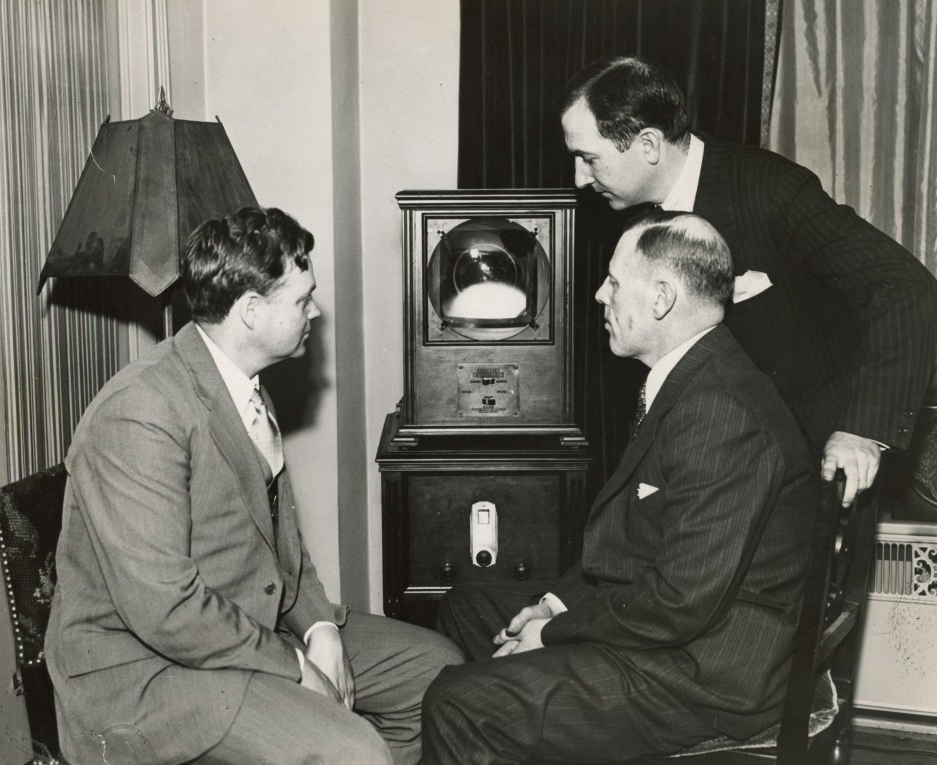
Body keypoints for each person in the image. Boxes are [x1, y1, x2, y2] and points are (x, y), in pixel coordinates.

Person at [45, 206, 463, 765]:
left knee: (436, 674)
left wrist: (320, 628)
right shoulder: (140, 413)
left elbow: (284, 550)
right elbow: (166, 610)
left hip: (239, 632)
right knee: (353, 752)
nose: (315, 310)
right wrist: (295, 668)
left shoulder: (244, 387)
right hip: (148, 678)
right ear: (249, 311)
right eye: (301, 299)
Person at [422, 211, 819, 763]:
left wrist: (552, 631)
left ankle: (493, 717)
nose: (597, 294)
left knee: (456, 703)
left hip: (706, 672)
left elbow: (680, 603)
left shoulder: (720, 411)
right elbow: (637, 545)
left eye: (613, 281)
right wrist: (552, 604)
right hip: (682, 630)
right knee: (469, 604)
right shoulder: (693, 377)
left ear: (660, 298)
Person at [560, 55, 937, 508]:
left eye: (589, 158)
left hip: (809, 470)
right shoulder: (628, 217)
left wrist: (863, 429)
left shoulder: (770, 190)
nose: (580, 179)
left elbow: (903, 286)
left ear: (648, 145)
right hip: (709, 463)